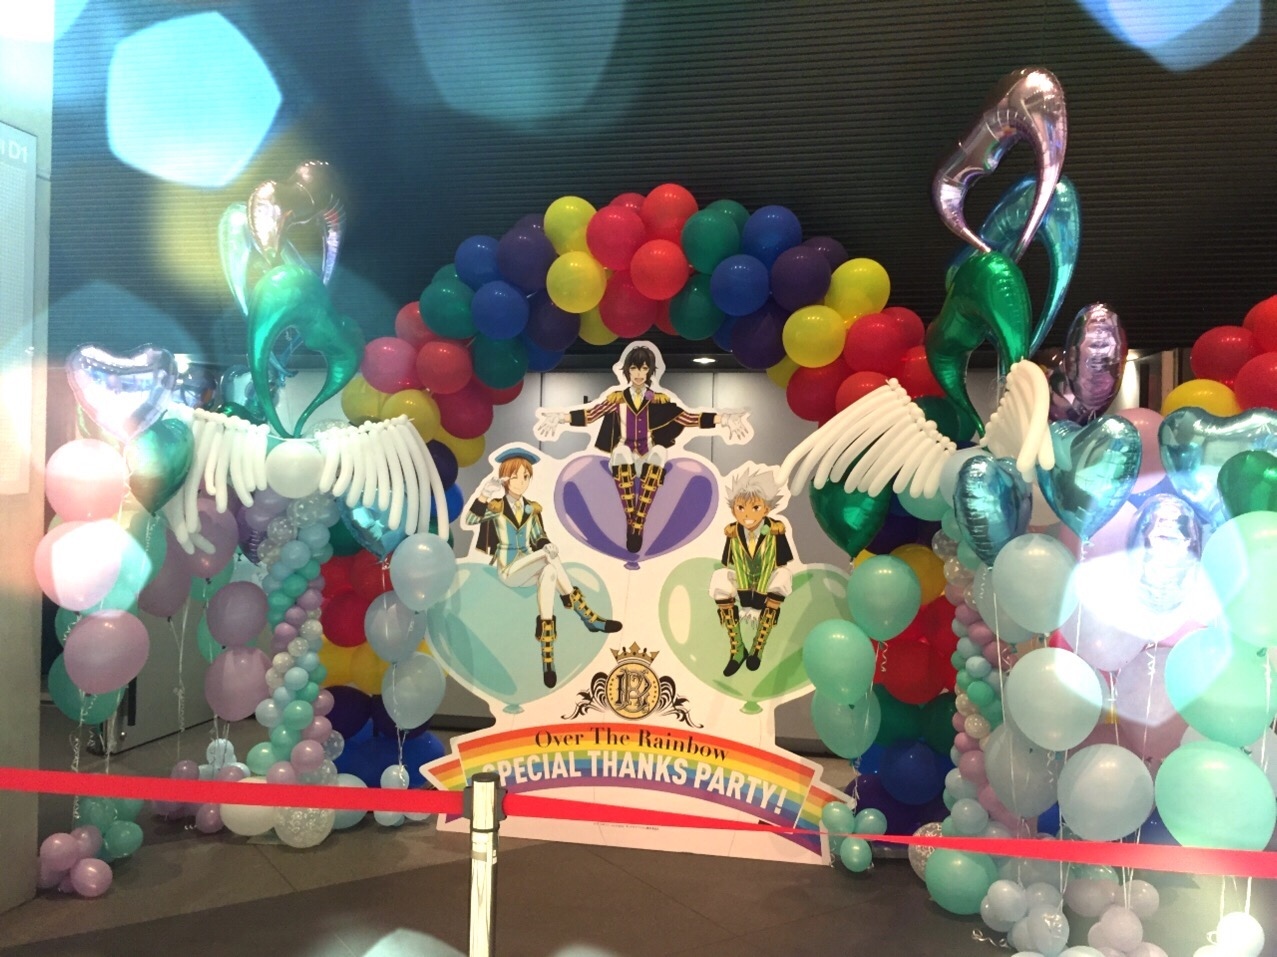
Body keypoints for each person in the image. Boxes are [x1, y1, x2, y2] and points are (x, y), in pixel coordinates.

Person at [534, 342, 750, 552]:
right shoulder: (617, 399)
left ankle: (637, 520)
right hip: (623, 456)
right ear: (628, 370)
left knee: (660, 451)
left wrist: (724, 419)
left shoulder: (658, 400)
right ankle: (636, 522)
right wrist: (559, 418)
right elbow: (591, 415)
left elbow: (687, 418)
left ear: (650, 371)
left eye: (644, 368)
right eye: (635, 368)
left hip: (648, 457)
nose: (639, 374)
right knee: (620, 451)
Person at [465, 448, 621, 688]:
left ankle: (547, 655)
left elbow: (539, 537)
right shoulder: (496, 508)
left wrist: (547, 545)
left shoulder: (532, 509)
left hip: (531, 568)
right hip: (509, 570)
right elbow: (471, 520)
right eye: (515, 477)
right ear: (505, 479)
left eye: (526, 476)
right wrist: (485, 494)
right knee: (548, 560)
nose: (521, 482)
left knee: (550, 570)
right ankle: (585, 614)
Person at [709, 465, 793, 677]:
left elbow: (774, 563)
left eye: (755, 508)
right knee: (719, 578)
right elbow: (734, 563)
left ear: (766, 509)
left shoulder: (775, 530)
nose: (747, 515)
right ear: (733, 510)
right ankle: (738, 648)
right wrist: (746, 600)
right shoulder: (733, 533)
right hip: (744, 578)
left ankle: (758, 646)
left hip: (766, 578)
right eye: (740, 508)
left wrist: (757, 603)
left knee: (783, 576)